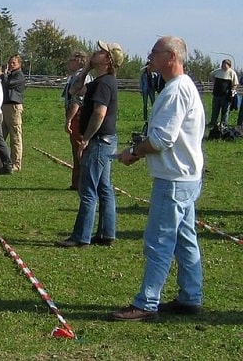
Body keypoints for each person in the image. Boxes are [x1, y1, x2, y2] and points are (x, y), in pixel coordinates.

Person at [112, 36, 205, 322]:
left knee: (159, 241)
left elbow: (162, 139)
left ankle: (147, 302)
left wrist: (133, 152)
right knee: (185, 238)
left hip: (174, 179)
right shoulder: (183, 87)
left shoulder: (176, 91)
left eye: (155, 52)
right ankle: (190, 297)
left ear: (171, 57)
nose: (149, 56)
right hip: (186, 177)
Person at [57, 40, 123, 248]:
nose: (95, 52)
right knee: (104, 188)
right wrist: (86, 68)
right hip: (103, 141)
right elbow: (74, 91)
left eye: (101, 51)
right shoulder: (99, 81)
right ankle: (106, 234)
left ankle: (81, 237)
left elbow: (99, 113)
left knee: (88, 190)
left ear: (108, 60)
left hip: (98, 141)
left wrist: (85, 138)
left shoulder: (104, 84)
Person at [64, 51, 92, 191]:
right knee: (76, 149)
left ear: (80, 61)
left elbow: (77, 100)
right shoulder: (74, 76)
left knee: (80, 148)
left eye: (72, 60)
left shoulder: (82, 77)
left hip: (78, 116)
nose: (70, 62)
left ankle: (81, 182)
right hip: (75, 115)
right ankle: (76, 182)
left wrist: (69, 119)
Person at [0, 55, 25, 173]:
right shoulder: (9, 75)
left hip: (13, 107)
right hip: (4, 106)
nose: (10, 65)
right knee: (0, 135)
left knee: (15, 136)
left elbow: (8, 84)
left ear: (19, 64)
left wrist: (3, 74)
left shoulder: (19, 76)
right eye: (9, 63)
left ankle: (16, 163)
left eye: (13, 63)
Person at [207, 58, 238, 129]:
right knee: (215, 109)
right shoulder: (217, 71)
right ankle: (213, 122)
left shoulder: (232, 73)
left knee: (225, 111)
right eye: (223, 64)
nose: (224, 66)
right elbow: (211, 75)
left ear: (229, 65)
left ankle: (223, 124)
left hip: (226, 96)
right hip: (216, 94)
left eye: (225, 65)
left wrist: (232, 91)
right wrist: (215, 82)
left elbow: (235, 83)